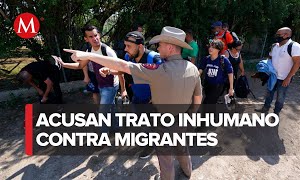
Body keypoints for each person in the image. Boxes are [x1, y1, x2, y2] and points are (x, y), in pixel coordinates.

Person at [63, 26, 202, 180]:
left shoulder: (160, 69)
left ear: (169, 47)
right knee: (182, 148)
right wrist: (191, 114)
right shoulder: (193, 68)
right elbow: (198, 97)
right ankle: (187, 172)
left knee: (166, 159)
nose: (158, 47)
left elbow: (123, 66)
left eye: (160, 44)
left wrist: (87, 55)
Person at [100, 31, 163, 159]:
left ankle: (153, 144)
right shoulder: (129, 57)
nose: (125, 49)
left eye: (128, 46)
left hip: (152, 102)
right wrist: (110, 71)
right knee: (143, 122)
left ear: (140, 46)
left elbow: (166, 79)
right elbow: (123, 69)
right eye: (125, 45)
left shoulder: (154, 58)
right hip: (136, 97)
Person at [53, 25, 126, 105]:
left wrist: (123, 89)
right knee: (110, 109)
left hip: (110, 85)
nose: (95, 39)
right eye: (91, 37)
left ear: (99, 35)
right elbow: (80, 65)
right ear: (86, 39)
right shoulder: (89, 51)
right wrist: (63, 64)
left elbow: (120, 70)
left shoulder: (107, 51)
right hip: (100, 84)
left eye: (95, 35)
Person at [255, 27, 300, 117]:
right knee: (269, 93)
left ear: (286, 35)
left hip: (284, 78)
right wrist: (264, 70)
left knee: (280, 97)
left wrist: (288, 78)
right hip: (272, 76)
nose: (276, 36)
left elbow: (297, 63)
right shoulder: (274, 46)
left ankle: (276, 113)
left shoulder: (294, 46)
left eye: (278, 34)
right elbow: (270, 58)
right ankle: (265, 108)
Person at [199, 39, 234, 104]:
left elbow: (230, 73)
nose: (210, 48)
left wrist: (231, 88)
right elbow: (200, 70)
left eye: (213, 47)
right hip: (207, 85)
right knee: (211, 103)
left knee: (207, 103)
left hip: (218, 86)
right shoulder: (206, 59)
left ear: (218, 49)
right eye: (210, 46)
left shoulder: (223, 60)